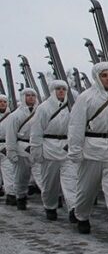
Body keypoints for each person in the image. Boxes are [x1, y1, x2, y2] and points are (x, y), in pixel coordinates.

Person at [68, 62, 108, 242]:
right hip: (91, 149)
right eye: (104, 75)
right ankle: (82, 216)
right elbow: (76, 125)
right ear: (97, 77)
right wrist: (75, 150)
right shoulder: (85, 98)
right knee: (86, 189)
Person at [29, 80, 78, 221]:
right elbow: (36, 131)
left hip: (66, 147)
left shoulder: (71, 107)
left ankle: (73, 207)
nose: (61, 91)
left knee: (71, 180)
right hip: (49, 148)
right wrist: (36, 151)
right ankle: (50, 206)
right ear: (52, 91)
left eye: (64, 88)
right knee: (50, 183)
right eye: (58, 89)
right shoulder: (43, 108)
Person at [5, 88, 38, 210]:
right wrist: (11, 151)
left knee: (42, 175)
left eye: (33, 95)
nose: (31, 98)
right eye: (28, 95)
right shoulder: (15, 116)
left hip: (37, 147)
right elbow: (11, 135)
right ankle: (20, 197)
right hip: (21, 148)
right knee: (21, 176)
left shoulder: (40, 113)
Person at [0, 94, 15, 203]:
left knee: (8, 171)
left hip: (5, 145)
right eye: (0, 101)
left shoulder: (12, 117)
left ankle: (11, 194)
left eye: (4, 102)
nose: (2, 104)